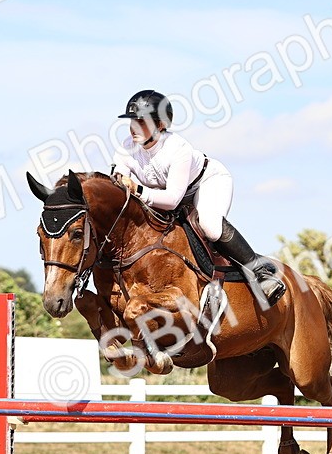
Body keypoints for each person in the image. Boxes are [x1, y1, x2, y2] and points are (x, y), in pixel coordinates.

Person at [110, 89, 285, 305]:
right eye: (132, 121)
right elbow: (120, 186)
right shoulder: (126, 148)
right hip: (163, 194)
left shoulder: (177, 149)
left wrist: (137, 190)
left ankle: (259, 271)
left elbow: (173, 199)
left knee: (209, 225)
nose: (134, 127)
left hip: (206, 182)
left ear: (161, 125)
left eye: (142, 122)